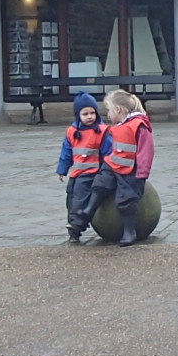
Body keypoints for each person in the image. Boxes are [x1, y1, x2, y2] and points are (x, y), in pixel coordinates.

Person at [91, 89, 154, 247]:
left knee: (126, 198)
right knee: (101, 181)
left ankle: (129, 230)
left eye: (108, 110)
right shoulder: (119, 126)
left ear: (118, 110)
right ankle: (89, 209)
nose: (108, 115)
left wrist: (142, 173)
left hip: (131, 170)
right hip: (114, 165)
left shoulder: (139, 126)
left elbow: (146, 151)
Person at [55, 91, 108, 243]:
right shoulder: (72, 132)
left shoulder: (102, 131)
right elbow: (66, 152)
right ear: (78, 115)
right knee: (71, 199)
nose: (90, 116)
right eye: (85, 114)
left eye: (92, 113)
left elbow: (108, 152)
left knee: (80, 199)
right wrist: (62, 169)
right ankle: (72, 225)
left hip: (92, 173)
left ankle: (76, 227)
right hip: (77, 173)